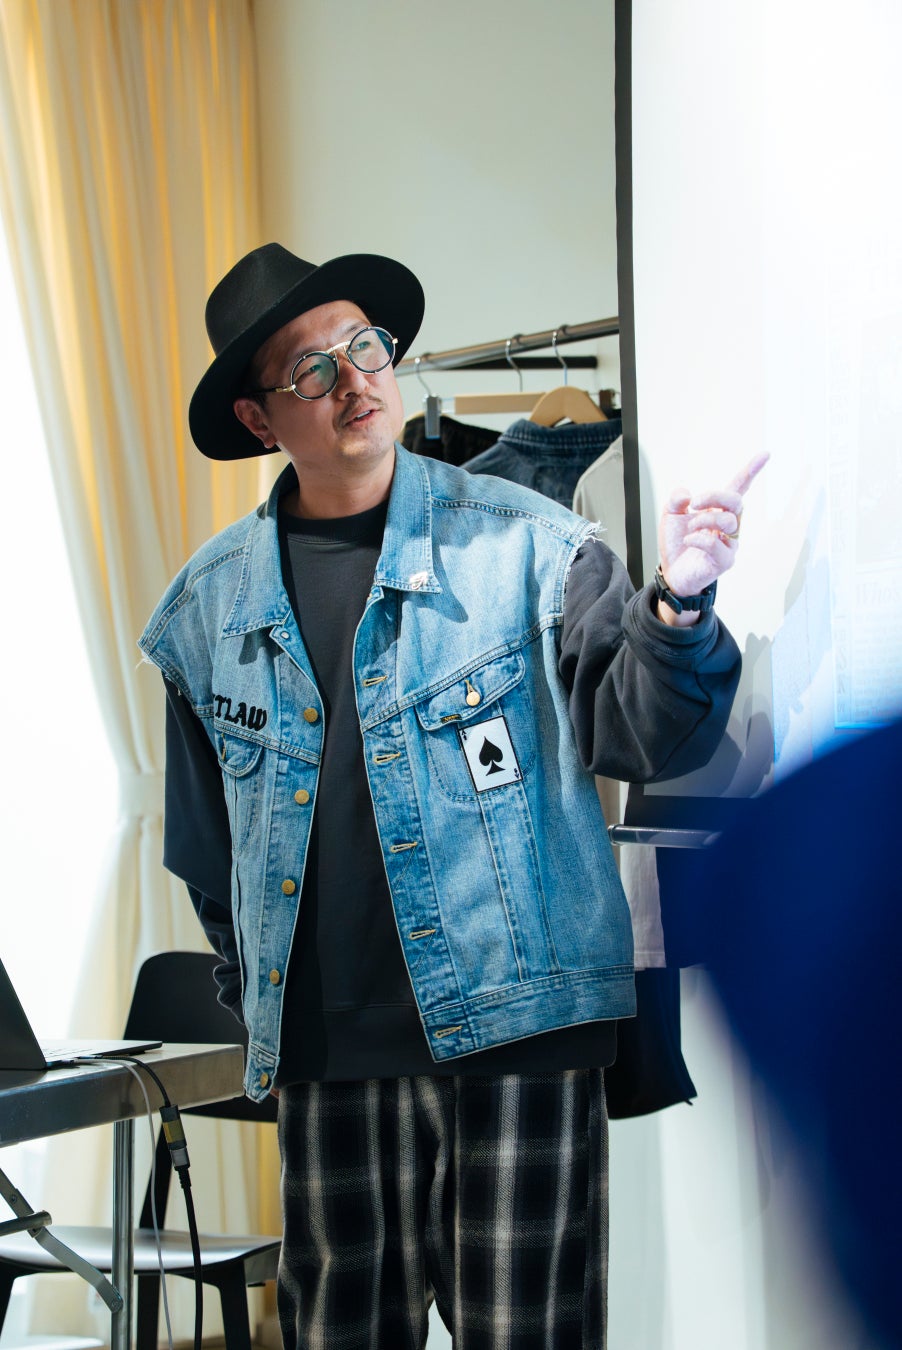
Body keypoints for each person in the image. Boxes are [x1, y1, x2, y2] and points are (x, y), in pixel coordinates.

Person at [139, 243, 765, 1349]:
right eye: (313, 369)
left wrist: (675, 602)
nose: (356, 381)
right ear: (256, 417)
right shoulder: (205, 613)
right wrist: (268, 1010)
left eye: (365, 347)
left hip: (520, 1042)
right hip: (329, 1065)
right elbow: (208, 856)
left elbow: (640, 732)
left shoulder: (534, 547)